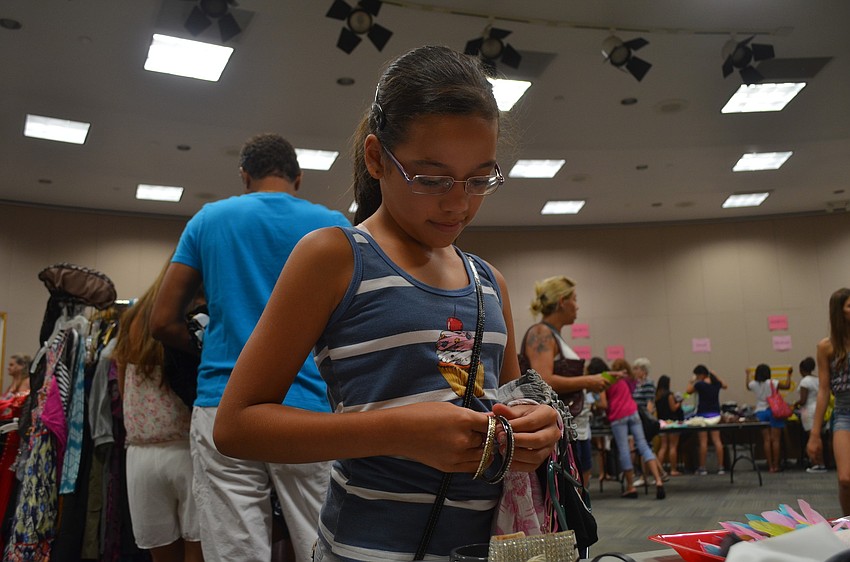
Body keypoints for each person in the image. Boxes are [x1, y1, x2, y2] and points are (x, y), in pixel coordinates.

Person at [212, 46, 562, 561]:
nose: (458, 202)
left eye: (479, 179)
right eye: (433, 179)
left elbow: (512, 400)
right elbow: (236, 425)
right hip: (365, 549)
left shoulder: (490, 282)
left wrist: (538, 425)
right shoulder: (335, 257)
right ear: (377, 158)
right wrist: (399, 432)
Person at [150, 132, 351, 562]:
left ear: (245, 176)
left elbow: (161, 320)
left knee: (235, 550)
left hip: (223, 405)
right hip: (307, 408)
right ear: (297, 178)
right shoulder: (333, 225)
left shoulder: (209, 219)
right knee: (324, 544)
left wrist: (214, 347)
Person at [112, 262, 202, 562]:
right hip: (190, 449)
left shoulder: (133, 319)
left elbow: (124, 388)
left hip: (141, 451)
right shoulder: (195, 319)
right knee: (198, 549)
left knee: (161, 554)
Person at [520, 275, 611, 488]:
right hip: (562, 429)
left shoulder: (551, 335)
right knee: (570, 492)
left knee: (578, 489)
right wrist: (588, 380)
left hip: (574, 425)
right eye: (575, 299)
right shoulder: (541, 333)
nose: (577, 307)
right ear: (562, 301)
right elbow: (544, 380)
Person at [594, 357, 666, 499]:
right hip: (633, 413)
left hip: (618, 416)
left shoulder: (606, 380)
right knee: (644, 446)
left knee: (624, 450)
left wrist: (595, 404)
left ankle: (631, 487)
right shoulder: (626, 380)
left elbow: (604, 404)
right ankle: (658, 481)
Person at [808, 288, 850, 516]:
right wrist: (815, 434)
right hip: (844, 413)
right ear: (838, 311)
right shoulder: (827, 346)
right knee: (845, 479)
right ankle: (848, 526)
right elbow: (823, 390)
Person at [746, 363, 792, 473]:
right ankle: (776, 465)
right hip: (773, 411)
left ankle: (770, 466)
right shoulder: (773, 382)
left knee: (766, 440)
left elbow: (747, 386)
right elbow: (787, 386)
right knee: (775, 440)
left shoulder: (753, 384)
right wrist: (789, 374)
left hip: (760, 412)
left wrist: (747, 374)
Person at [686, 364, 727, 475]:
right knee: (717, 441)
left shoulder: (700, 384)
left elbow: (688, 392)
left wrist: (691, 381)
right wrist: (716, 376)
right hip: (715, 414)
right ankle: (721, 467)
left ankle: (702, 468)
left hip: (702, 415)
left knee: (703, 442)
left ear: (700, 375)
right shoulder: (716, 384)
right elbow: (725, 385)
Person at [795, 356, 826, 472]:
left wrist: (795, 404)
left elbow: (803, 400)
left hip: (808, 410)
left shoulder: (805, 381)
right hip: (818, 408)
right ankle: (821, 462)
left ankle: (815, 463)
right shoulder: (818, 379)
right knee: (818, 436)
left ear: (802, 369)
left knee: (812, 437)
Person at [655, 375, 683, 476]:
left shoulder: (657, 395)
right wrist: (679, 403)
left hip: (661, 422)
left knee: (663, 447)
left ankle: (658, 470)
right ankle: (673, 469)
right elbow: (673, 408)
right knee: (673, 446)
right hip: (672, 423)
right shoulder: (669, 395)